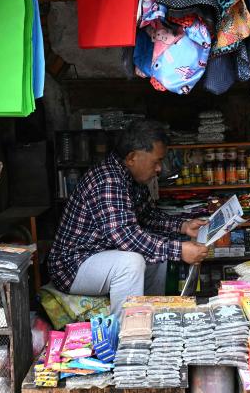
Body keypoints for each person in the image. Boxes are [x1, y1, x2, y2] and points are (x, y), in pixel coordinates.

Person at [48, 120, 209, 318]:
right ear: (132, 157)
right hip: (73, 265)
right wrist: (179, 249)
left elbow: (147, 216)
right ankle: (128, 335)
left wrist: (183, 226)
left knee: (158, 255)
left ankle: (151, 318)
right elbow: (125, 236)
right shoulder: (108, 180)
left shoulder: (131, 178)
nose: (159, 169)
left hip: (103, 255)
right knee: (130, 263)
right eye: (156, 162)